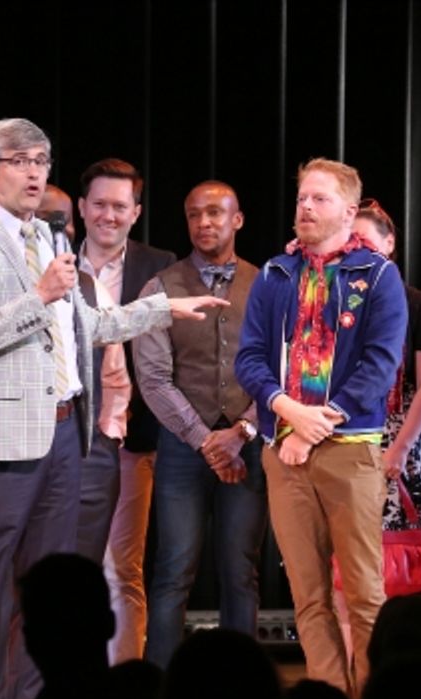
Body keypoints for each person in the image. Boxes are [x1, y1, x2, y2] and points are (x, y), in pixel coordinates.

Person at [0, 117, 224, 699]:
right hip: (1, 443)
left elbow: (87, 326)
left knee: (48, 593)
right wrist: (37, 295)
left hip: (67, 434)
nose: (35, 172)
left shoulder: (49, 239)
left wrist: (164, 308)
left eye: (42, 160)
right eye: (20, 160)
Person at [235, 158, 406, 699]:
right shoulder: (276, 273)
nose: (305, 207)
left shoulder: (377, 275)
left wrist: (313, 428)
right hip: (284, 448)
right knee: (308, 596)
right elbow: (249, 359)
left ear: (349, 212)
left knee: (364, 593)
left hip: (349, 449)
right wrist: (287, 411)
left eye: (320, 199)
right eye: (301, 198)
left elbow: (380, 366)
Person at [134, 180, 268, 667]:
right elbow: (153, 378)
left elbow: (283, 372)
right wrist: (206, 441)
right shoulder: (160, 288)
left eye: (215, 213)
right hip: (181, 448)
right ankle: (159, 683)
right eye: (194, 214)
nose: (204, 222)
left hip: (248, 443)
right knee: (174, 570)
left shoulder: (269, 285)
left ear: (238, 220)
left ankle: (242, 682)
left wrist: (241, 432)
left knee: (240, 570)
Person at [75, 158, 177, 663]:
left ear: (136, 212)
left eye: (120, 206)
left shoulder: (160, 266)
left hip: (131, 440)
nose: (108, 215)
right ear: (81, 207)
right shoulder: (52, 264)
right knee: (63, 567)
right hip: (58, 441)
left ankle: (124, 682)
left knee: (121, 568)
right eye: (99, 204)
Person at [352, 199, 421, 574]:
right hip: (349, 437)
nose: (357, 251)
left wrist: (399, 449)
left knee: (404, 564)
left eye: (365, 241)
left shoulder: (418, 304)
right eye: (348, 243)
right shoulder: (337, 303)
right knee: (350, 561)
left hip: (404, 443)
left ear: (389, 243)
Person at [38, 183, 132, 566]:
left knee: (80, 568)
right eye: (47, 221)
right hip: (20, 450)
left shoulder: (89, 289)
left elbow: (114, 374)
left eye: (65, 223)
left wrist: (108, 434)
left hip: (87, 448)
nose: (59, 232)